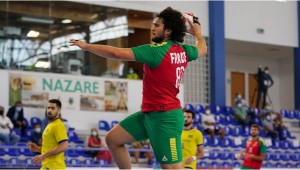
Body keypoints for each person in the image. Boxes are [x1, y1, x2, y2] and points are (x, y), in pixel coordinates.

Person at [70, 6, 207, 169]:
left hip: (166, 118)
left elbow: (116, 54)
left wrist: (87, 47)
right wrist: (196, 32)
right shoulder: (183, 50)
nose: (152, 28)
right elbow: (202, 49)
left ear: (168, 31)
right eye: (153, 24)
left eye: (157, 25)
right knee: (113, 139)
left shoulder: (156, 51)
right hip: (149, 114)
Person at [27, 99, 69, 169]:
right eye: (48, 108)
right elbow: (50, 148)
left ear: (58, 110)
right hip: (47, 166)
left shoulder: (58, 125)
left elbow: (64, 145)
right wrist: (37, 148)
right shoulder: (50, 125)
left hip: (54, 167)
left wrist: (44, 156)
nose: (49, 110)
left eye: (53, 108)